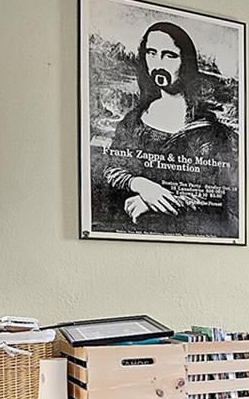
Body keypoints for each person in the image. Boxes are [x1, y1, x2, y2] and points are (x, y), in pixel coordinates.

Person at [94, 21, 239, 237]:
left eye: (169, 55)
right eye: (151, 53)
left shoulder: (213, 131)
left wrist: (153, 203)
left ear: (186, 62)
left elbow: (222, 193)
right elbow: (111, 169)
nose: (158, 63)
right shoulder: (133, 121)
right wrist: (141, 185)